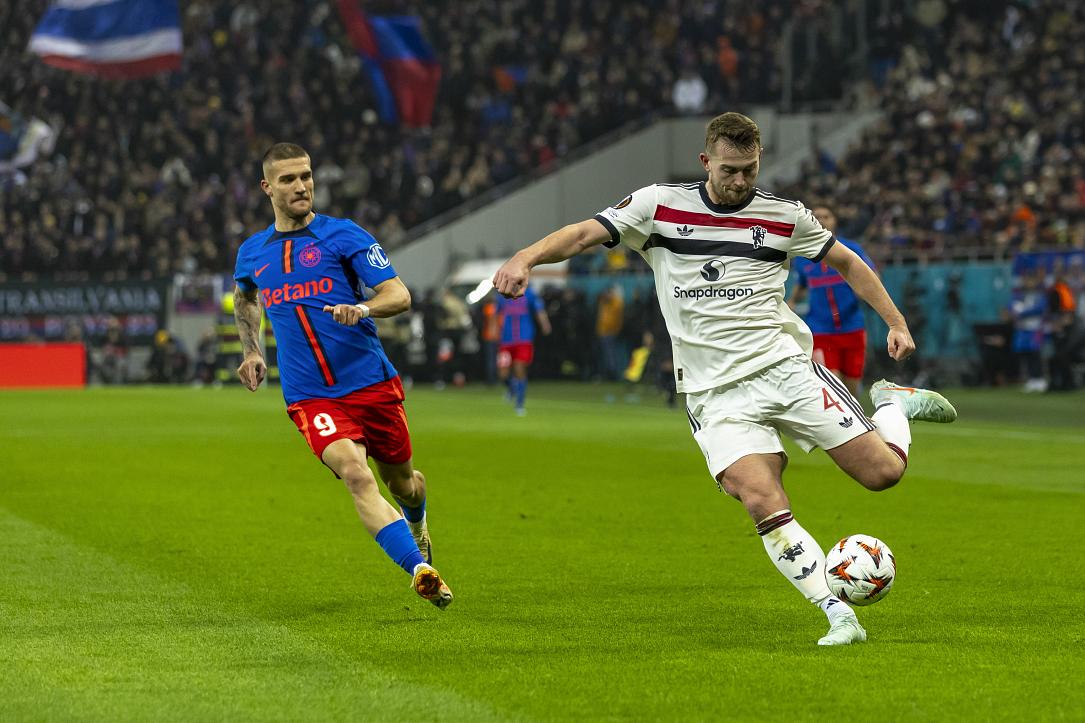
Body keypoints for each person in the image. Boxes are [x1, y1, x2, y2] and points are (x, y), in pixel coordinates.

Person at [494, 112, 957, 646]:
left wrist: (895, 323)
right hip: (715, 394)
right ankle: (838, 614)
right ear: (706, 161)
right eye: (731, 170)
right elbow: (581, 234)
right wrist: (526, 257)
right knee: (760, 497)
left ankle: (893, 405)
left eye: (750, 170)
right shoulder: (658, 206)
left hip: (783, 368)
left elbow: (849, 262)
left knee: (882, 474)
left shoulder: (785, 216)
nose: (741, 181)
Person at [232, 143, 452, 609]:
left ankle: (417, 518)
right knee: (355, 474)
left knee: (403, 483)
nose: (302, 186)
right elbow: (245, 297)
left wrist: (362, 307)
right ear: (267, 188)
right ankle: (420, 569)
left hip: (370, 382)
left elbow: (400, 294)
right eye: (289, 179)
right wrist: (252, 350)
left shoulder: (344, 236)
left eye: (307, 176)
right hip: (311, 395)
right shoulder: (252, 252)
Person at [787, 204, 876, 396]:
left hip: (852, 327)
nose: (821, 220)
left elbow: (872, 276)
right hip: (820, 329)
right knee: (834, 386)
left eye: (826, 216)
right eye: (816, 216)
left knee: (853, 389)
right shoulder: (803, 256)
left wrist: (866, 294)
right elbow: (801, 284)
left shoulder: (851, 250)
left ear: (834, 220)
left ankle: (855, 422)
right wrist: (791, 302)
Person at [496, 283, 551, 415]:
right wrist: (495, 330)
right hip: (506, 339)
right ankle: (512, 388)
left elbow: (539, 310)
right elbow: (496, 313)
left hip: (524, 338)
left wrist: (545, 324)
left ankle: (519, 404)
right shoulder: (503, 294)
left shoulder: (530, 293)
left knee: (519, 368)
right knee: (503, 373)